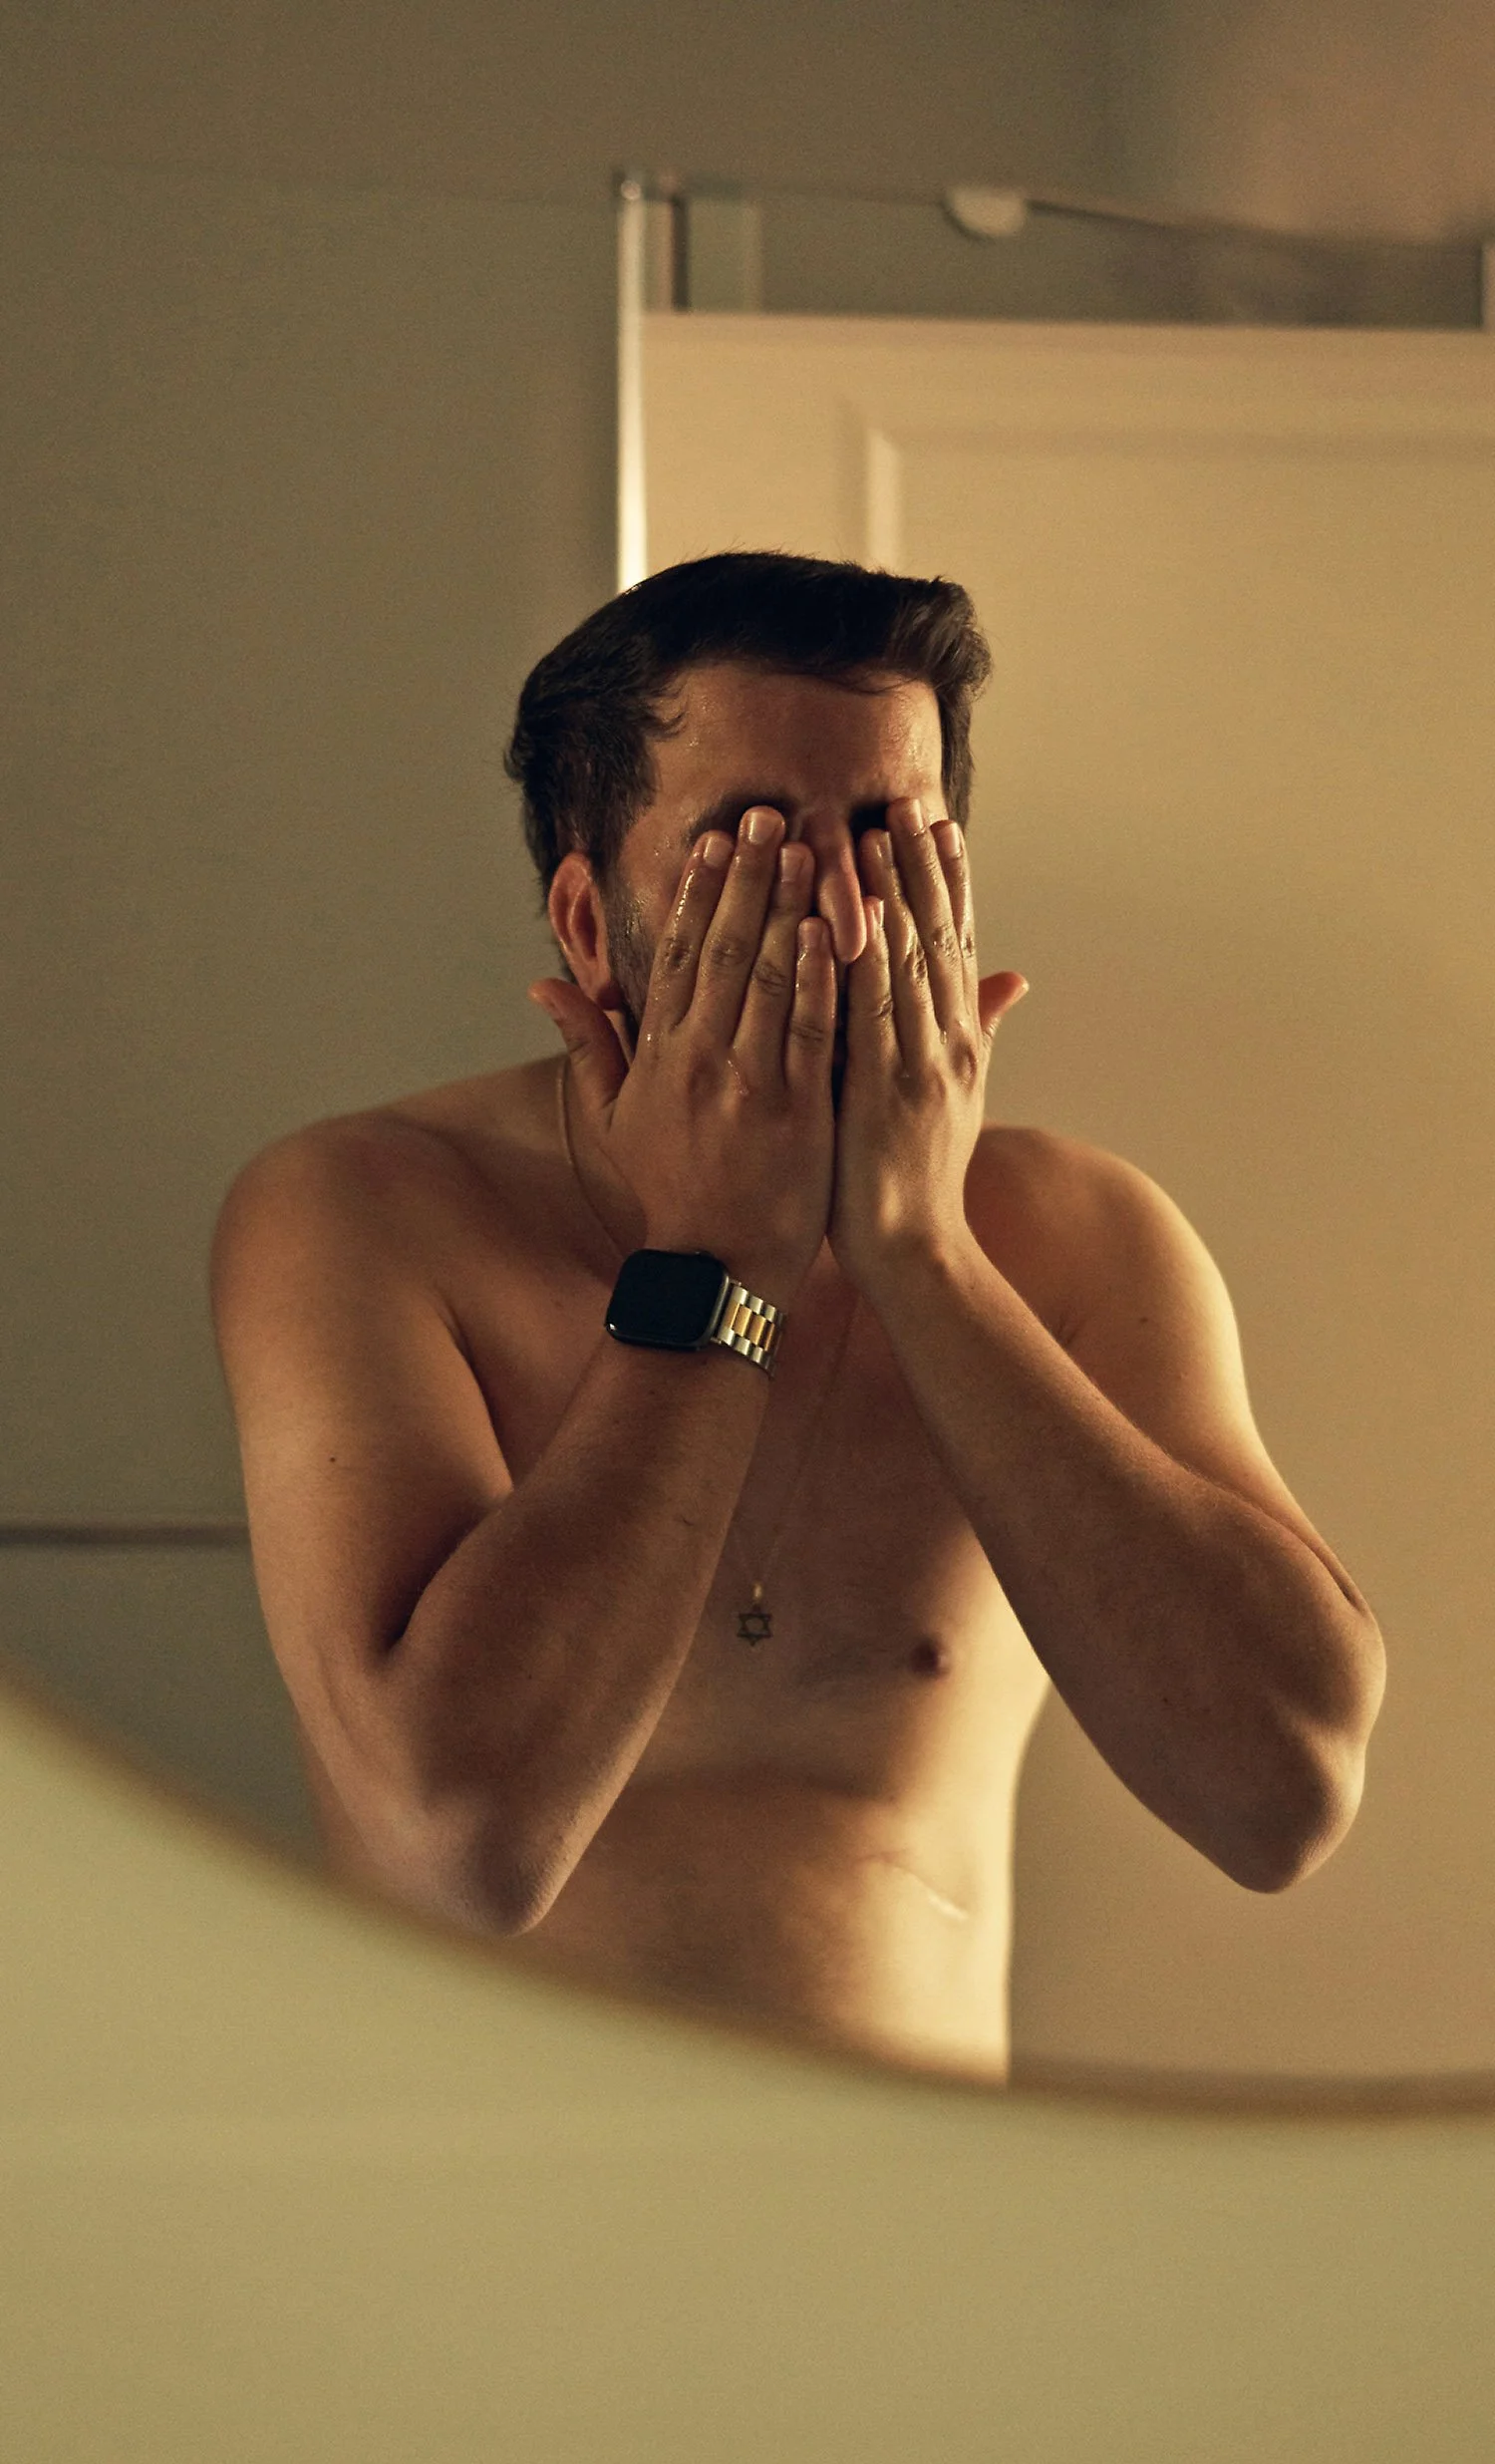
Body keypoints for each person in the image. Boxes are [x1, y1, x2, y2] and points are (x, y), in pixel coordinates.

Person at [210, 551, 1385, 2078]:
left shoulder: (1075, 1238)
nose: (839, 912)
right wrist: (717, 1260)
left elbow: (1285, 1795)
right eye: (753, 845)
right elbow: (459, 1843)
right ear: (588, 922)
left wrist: (922, 1252)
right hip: (485, 2201)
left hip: (921, 2206)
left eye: (893, 843)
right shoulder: (366, 1212)